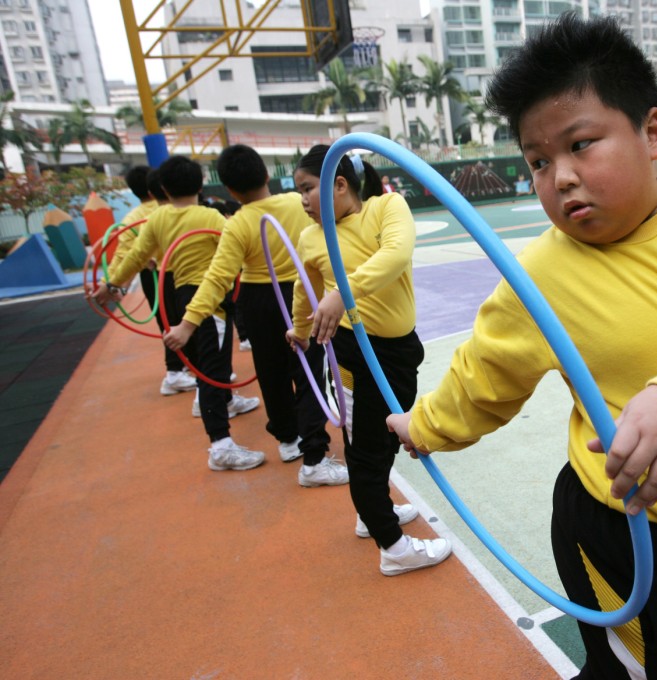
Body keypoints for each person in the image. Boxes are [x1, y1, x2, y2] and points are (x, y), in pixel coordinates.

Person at [386, 14, 657, 677]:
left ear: (653, 133)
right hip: (618, 529)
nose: (559, 176)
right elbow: (485, 375)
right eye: (538, 161)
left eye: (581, 144)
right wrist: (422, 425)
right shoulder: (538, 275)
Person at [286, 144, 449, 576]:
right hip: (352, 354)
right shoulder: (310, 235)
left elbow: (394, 256)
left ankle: (371, 509)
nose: (301, 200)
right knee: (365, 450)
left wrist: (342, 293)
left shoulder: (386, 208)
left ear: (339, 185)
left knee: (386, 436)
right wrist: (301, 331)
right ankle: (391, 545)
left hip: (398, 350)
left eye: (306, 189)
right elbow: (306, 287)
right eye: (297, 190)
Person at [163, 144, 347, 487]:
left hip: (258, 301)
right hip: (302, 294)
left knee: (271, 371)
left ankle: (288, 439)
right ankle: (314, 456)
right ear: (266, 174)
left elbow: (218, 277)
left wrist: (187, 326)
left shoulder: (238, 223)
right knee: (309, 373)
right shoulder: (297, 202)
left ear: (229, 190)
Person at [93, 155, 264, 472]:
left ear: (164, 189)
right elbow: (238, 252)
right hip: (207, 299)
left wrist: (111, 284)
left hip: (177, 294)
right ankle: (221, 445)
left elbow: (136, 255)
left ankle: (225, 402)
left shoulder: (157, 219)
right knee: (211, 370)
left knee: (209, 361)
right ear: (201, 184)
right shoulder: (211, 218)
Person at [108, 166, 197, 397]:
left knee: (168, 321)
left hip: (155, 275)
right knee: (184, 320)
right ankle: (176, 371)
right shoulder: (169, 212)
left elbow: (124, 253)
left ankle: (186, 366)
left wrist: (110, 282)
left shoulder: (134, 217)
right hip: (173, 272)